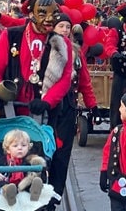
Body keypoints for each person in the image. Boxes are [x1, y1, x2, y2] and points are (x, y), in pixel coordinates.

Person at [0, 0, 73, 119]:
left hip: (45, 113)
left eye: (54, 13)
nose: (49, 19)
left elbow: (65, 78)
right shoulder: (10, 35)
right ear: (32, 14)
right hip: (9, 109)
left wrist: (47, 102)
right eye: (43, 14)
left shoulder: (63, 43)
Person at [49, 12, 98, 208]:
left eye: (68, 27)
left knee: (62, 155)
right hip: (47, 109)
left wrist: (92, 104)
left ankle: (55, 194)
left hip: (68, 107)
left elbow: (85, 80)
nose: (65, 30)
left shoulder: (76, 52)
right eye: (61, 26)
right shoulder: (46, 48)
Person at [0, 129, 46, 206]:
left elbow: (39, 170)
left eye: (23, 145)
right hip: (8, 183)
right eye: (15, 146)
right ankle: (9, 195)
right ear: (8, 149)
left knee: (34, 179)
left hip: (24, 186)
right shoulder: (3, 160)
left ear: (28, 147)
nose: (20, 148)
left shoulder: (30, 160)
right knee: (1, 186)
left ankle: (34, 191)